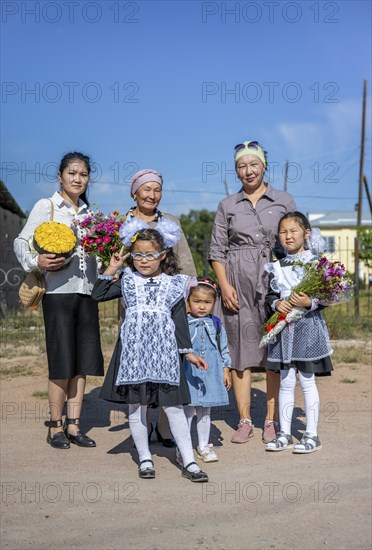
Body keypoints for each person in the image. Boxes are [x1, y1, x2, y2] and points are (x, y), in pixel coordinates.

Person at [91, 218, 209, 482]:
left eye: (150, 255)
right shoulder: (127, 280)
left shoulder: (175, 283)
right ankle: (145, 458)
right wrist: (112, 268)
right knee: (137, 406)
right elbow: (97, 294)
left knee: (174, 407)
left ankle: (188, 460)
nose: (143, 260)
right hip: (133, 354)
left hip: (166, 354)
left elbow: (179, 320)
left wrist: (187, 351)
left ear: (163, 255)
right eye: (138, 255)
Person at [100, 168, 196, 447]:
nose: (152, 195)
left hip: (166, 302)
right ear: (135, 192)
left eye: (157, 190)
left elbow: (185, 262)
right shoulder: (119, 223)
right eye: (146, 189)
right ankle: (141, 428)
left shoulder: (171, 222)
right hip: (134, 304)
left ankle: (165, 428)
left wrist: (188, 297)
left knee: (168, 364)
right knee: (139, 362)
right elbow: (111, 258)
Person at [14, 152, 104, 449]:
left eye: (83, 174)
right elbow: (21, 241)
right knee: (61, 362)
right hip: (57, 294)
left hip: (87, 291)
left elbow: (96, 256)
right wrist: (35, 260)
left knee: (82, 363)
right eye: (72, 173)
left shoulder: (90, 213)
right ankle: (55, 426)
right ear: (61, 176)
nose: (78, 179)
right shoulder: (47, 206)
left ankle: (74, 425)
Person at [209, 141, 296, 445]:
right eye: (242, 166)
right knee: (239, 353)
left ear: (264, 166)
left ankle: (270, 420)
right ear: (236, 171)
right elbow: (217, 250)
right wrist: (224, 285)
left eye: (253, 164)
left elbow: (296, 239)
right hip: (237, 284)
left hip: (275, 284)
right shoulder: (227, 205)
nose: (248, 171)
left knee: (273, 351)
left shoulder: (284, 199)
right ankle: (245, 419)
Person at [264, 212, 333, 453]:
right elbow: (270, 295)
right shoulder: (275, 266)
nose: (288, 236)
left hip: (308, 329)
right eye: (283, 232)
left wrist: (309, 302)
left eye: (293, 231)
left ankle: (312, 435)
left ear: (306, 233)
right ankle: (284, 433)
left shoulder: (317, 264)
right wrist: (275, 305)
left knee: (306, 380)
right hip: (283, 329)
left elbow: (326, 297)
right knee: (285, 381)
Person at [181, 278, 232, 465]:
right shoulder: (183, 323)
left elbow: (223, 348)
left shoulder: (216, 324)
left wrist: (226, 370)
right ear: (188, 301)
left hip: (211, 373)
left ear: (214, 303)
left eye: (207, 302)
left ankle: (203, 445)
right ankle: (183, 447)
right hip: (189, 373)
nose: (202, 306)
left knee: (205, 411)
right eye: (197, 301)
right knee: (187, 411)